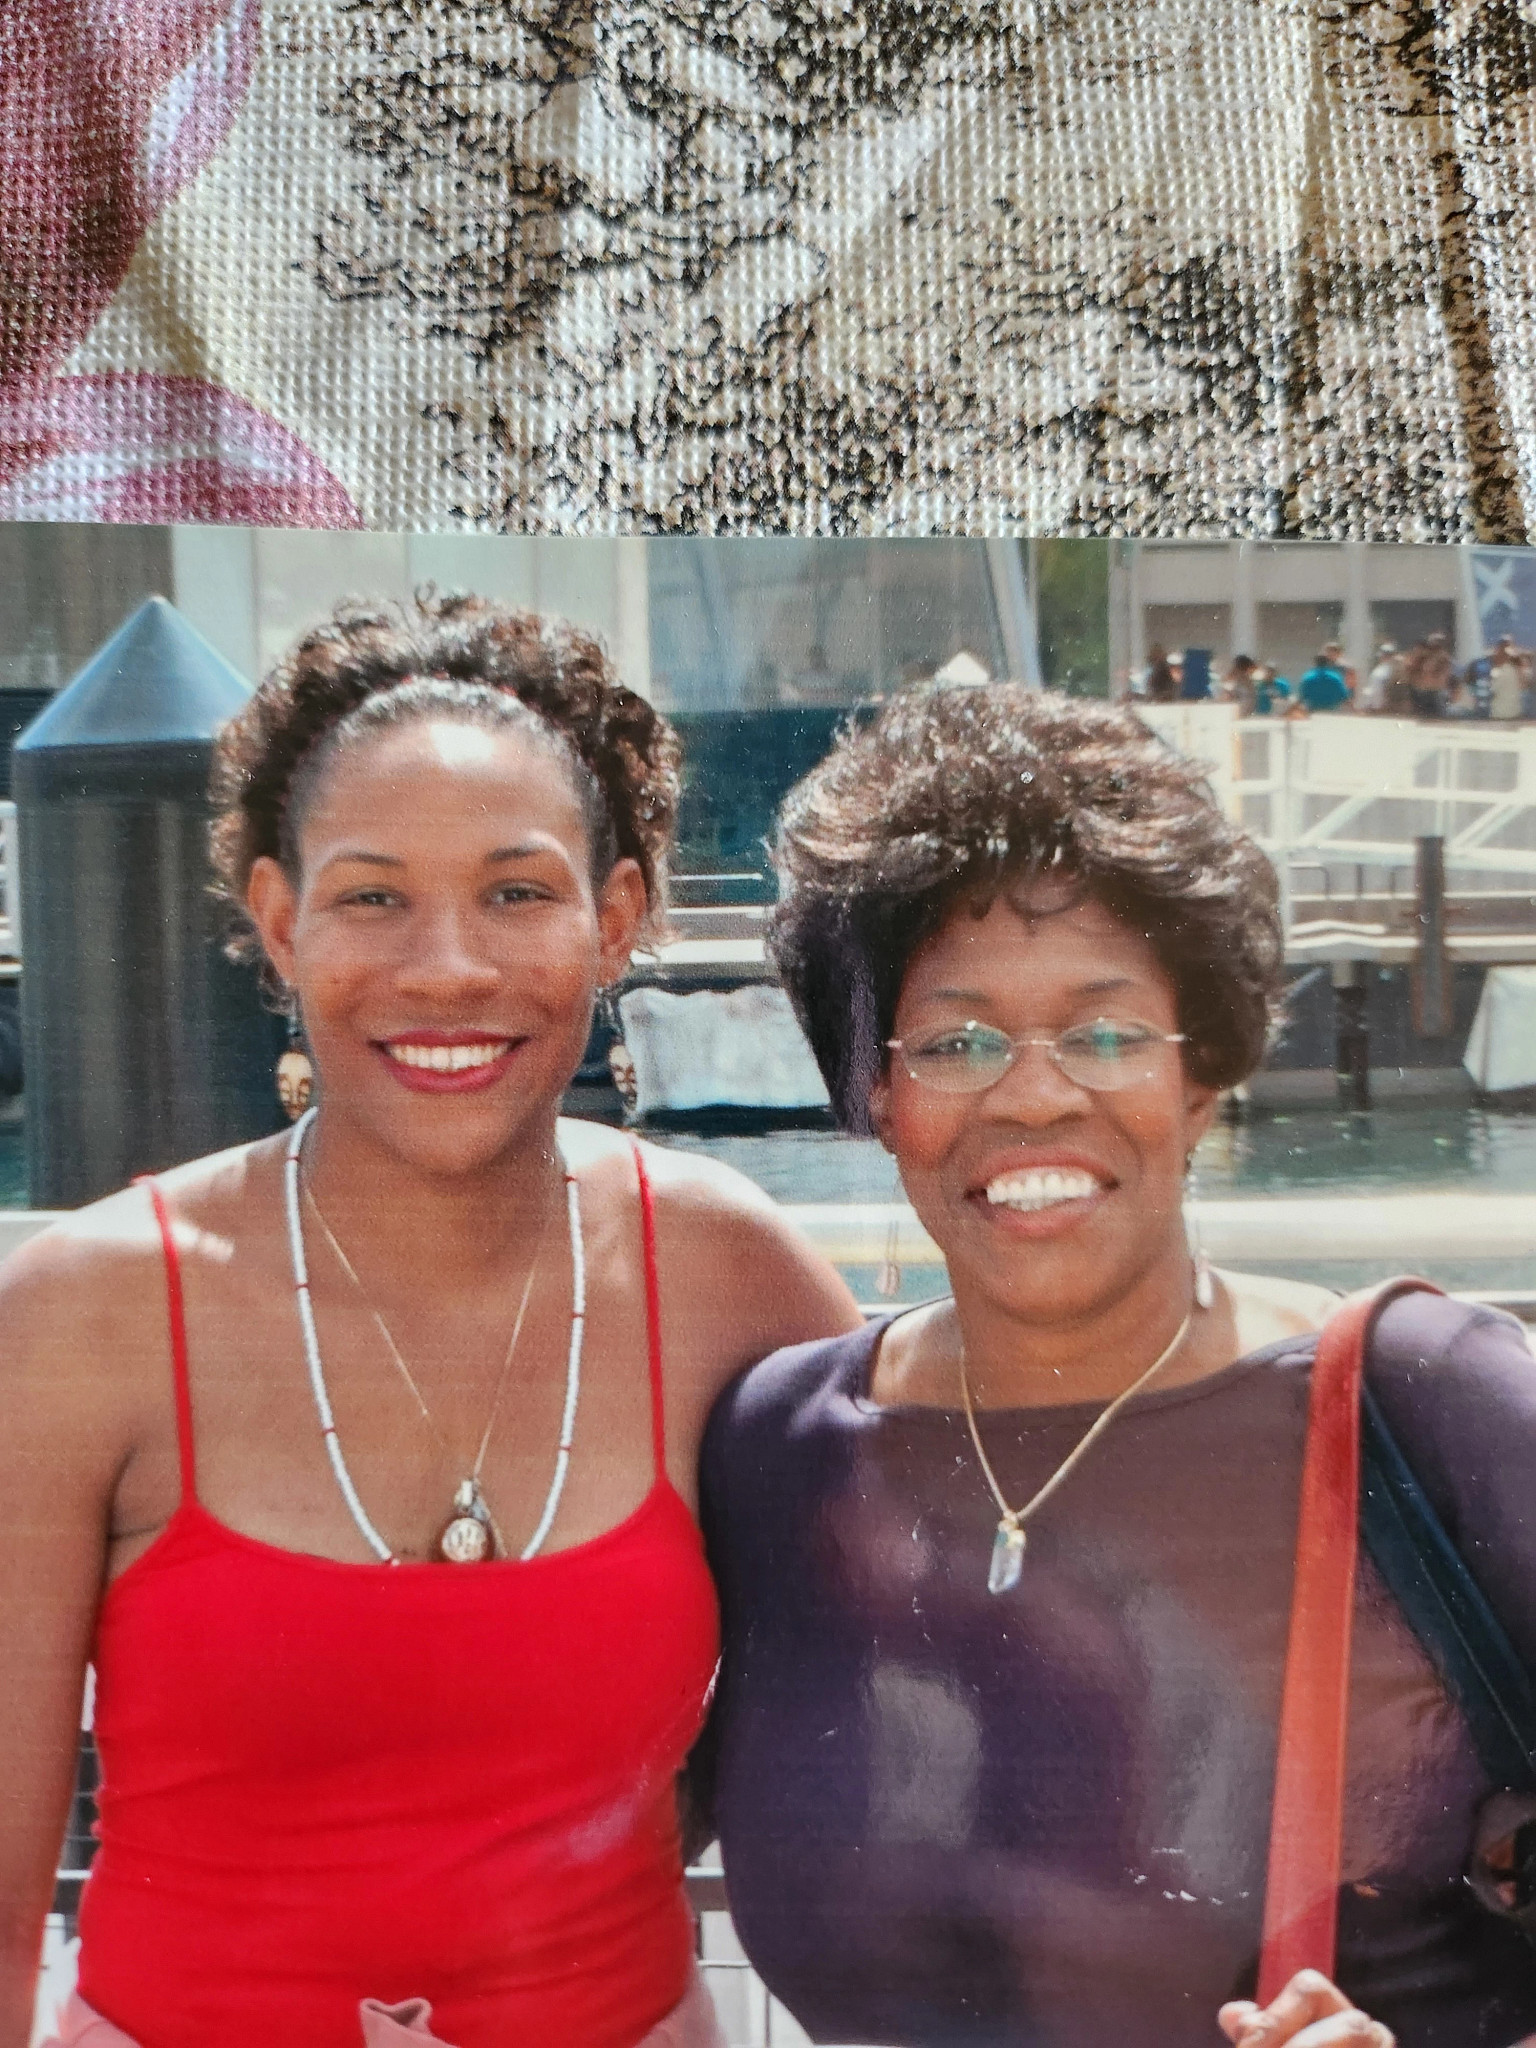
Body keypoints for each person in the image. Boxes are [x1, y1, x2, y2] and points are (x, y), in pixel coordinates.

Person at [0, 593, 862, 2048]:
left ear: (619, 918)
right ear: (279, 922)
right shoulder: (84, 1312)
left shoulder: (727, 1269)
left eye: (519, 892)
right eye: (373, 895)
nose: (448, 967)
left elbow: (939, 1612)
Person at [695, 684, 1536, 2048]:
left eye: (1103, 1032)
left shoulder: (1430, 1399)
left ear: (1201, 1072)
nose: (1034, 1093)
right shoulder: (776, 1449)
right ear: (879, 1095)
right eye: (958, 1042)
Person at [1488, 636, 1531, 723]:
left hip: (1502, 713)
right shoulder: (1517, 671)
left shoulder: (1502, 671)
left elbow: (1493, 688)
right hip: (1514, 712)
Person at [1297, 648, 1352, 714]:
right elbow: (1344, 696)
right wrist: (1354, 710)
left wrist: (1292, 709)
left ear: (1315, 662)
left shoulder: (1308, 676)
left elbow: (1302, 696)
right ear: (1327, 662)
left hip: (1313, 711)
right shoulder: (1335, 677)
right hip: (1332, 711)